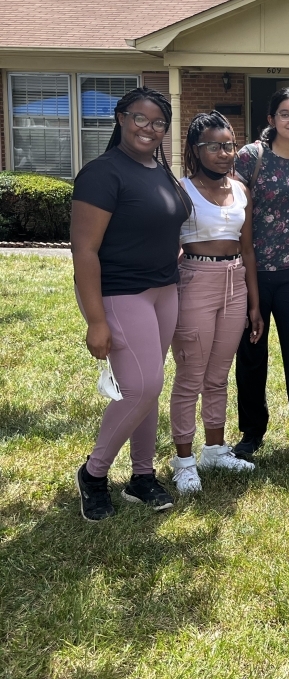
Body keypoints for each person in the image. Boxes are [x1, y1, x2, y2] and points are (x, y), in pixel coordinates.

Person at [71, 87, 192, 521]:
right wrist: (95, 321)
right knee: (142, 386)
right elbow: (84, 250)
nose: (149, 128)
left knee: (150, 384)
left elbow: (164, 222)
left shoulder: (159, 170)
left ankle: (142, 477)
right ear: (121, 118)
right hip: (122, 292)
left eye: (158, 122)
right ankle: (94, 473)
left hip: (165, 290)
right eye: (140, 119)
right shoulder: (102, 173)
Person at [169, 112, 264, 495]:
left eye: (229, 145)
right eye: (215, 146)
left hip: (236, 282)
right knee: (190, 376)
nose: (225, 153)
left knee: (218, 375)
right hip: (195, 279)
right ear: (196, 149)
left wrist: (254, 304)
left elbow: (248, 249)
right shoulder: (181, 190)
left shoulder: (241, 190)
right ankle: (184, 461)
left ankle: (214, 449)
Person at [232, 88, 289, 461]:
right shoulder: (251, 157)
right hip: (251, 270)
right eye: (284, 114)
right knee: (252, 353)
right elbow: (229, 203)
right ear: (271, 120)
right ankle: (252, 433)